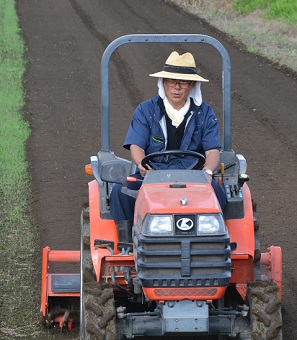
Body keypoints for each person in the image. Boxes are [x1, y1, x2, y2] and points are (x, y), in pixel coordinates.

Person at [110, 51, 227, 245]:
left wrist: (207, 171)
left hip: (193, 175)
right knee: (119, 191)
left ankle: (213, 244)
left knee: (218, 194)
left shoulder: (204, 113)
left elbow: (212, 150)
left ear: (192, 85)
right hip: (153, 173)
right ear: (163, 83)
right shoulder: (146, 110)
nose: (177, 87)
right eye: (172, 81)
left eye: (183, 82)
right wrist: (141, 164)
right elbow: (136, 145)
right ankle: (127, 245)